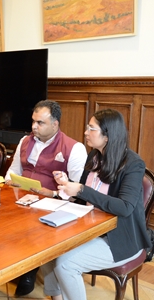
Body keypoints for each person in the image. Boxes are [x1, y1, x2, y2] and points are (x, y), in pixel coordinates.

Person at [41, 109, 152, 300]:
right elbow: (85, 198)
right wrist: (67, 186)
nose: (85, 132)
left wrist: (81, 190)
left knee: (65, 264)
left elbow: (124, 207)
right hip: (89, 228)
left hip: (119, 237)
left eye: (91, 128)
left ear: (107, 135)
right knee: (45, 247)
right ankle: (57, 297)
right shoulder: (94, 156)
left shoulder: (133, 164)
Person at [4, 100, 87, 296]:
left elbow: (76, 191)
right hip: (21, 198)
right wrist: (11, 181)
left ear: (55, 124)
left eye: (40, 123)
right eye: (33, 121)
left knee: (36, 231)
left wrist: (53, 193)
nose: (34, 126)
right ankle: (14, 265)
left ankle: (30, 271)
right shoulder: (25, 141)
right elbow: (13, 171)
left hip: (52, 205)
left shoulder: (74, 148)